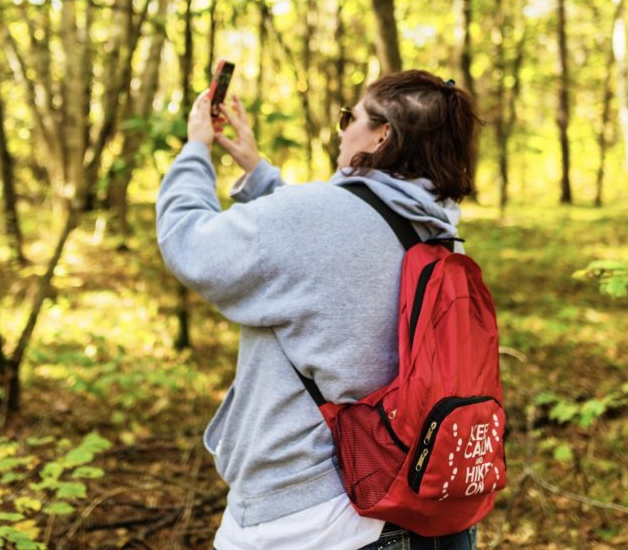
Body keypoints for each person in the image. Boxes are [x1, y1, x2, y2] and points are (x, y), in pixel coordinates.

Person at [155, 70, 483, 550]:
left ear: (382, 134)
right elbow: (333, 248)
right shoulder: (440, 233)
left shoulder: (314, 218)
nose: (342, 129)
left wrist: (194, 151)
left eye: (351, 117)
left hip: (308, 519)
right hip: (426, 509)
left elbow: (188, 245)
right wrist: (257, 169)